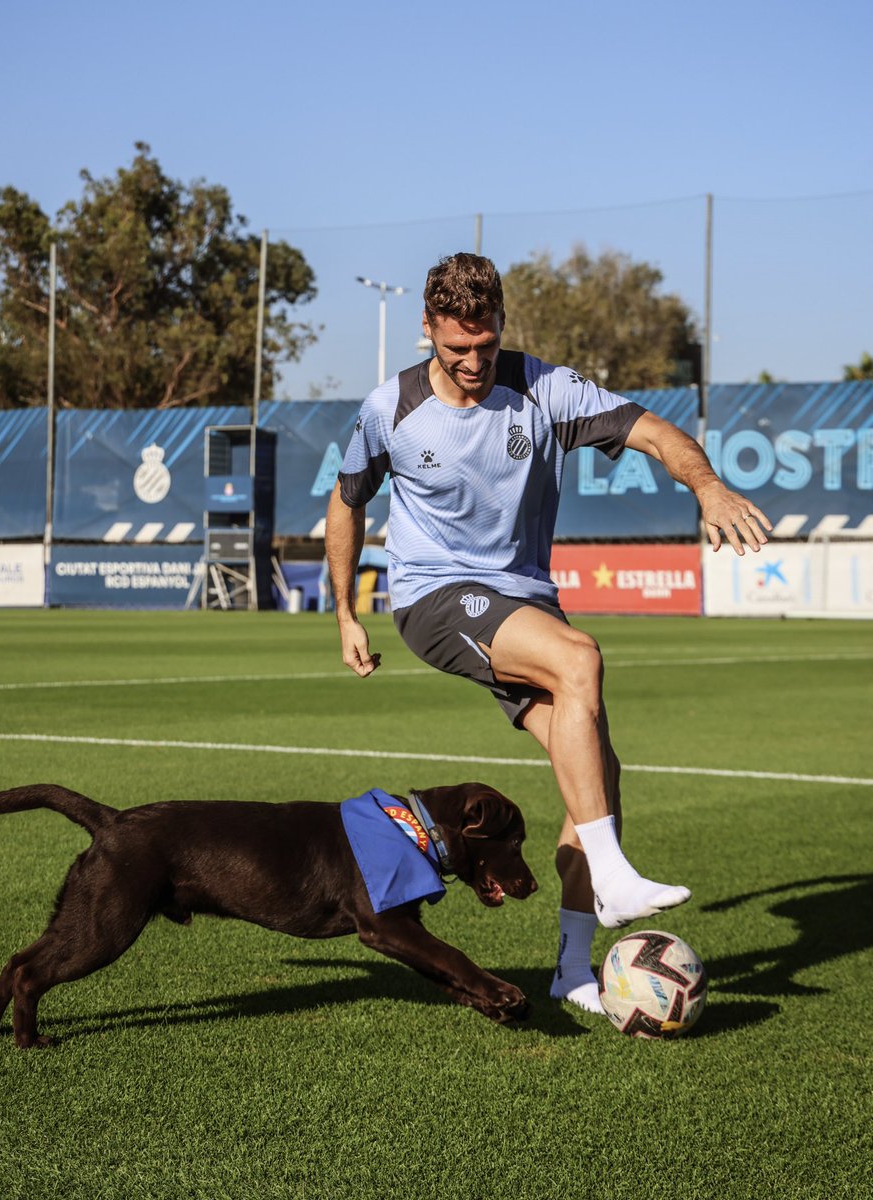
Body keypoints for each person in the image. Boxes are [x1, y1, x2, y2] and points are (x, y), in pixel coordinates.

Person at [325, 252, 771, 1015]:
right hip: (434, 598)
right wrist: (343, 613)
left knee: (596, 766)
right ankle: (613, 872)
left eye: (486, 345)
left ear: (502, 326)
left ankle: (571, 968)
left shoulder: (547, 389)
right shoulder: (387, 409)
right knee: (578, 657)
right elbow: (347, 502)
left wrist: (708, 484)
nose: (472, 362)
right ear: (428, 327)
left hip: (523, 599)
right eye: (455, 348)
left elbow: (655, 432)